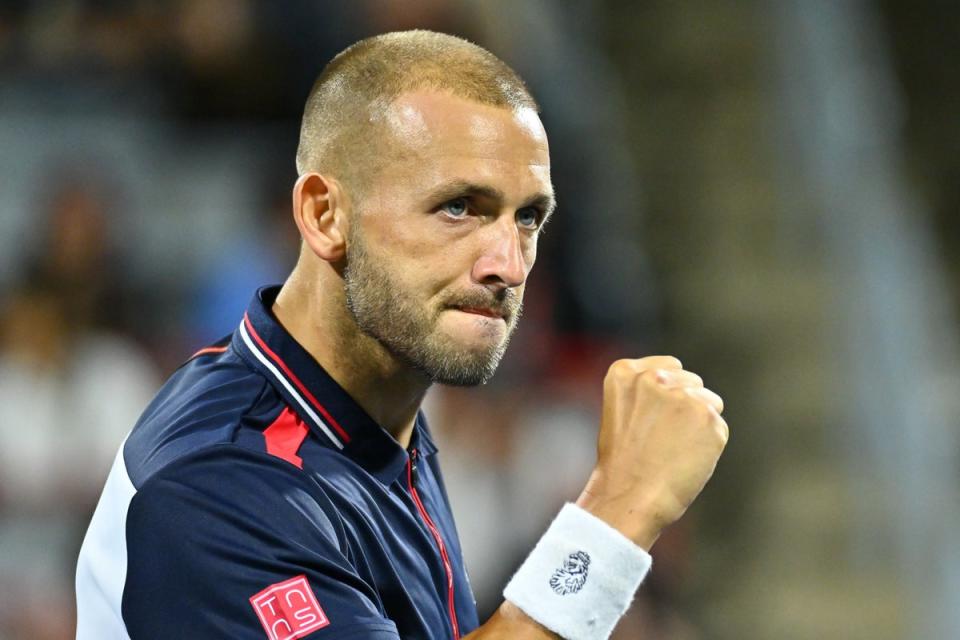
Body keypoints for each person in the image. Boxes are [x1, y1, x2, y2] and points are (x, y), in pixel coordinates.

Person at [75, 30, 728, 640]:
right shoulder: (216, 484)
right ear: (325, 215)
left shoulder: (373, 404)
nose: (508, 263)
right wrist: (620, 508)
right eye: (458, 208)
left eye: (527, 216)